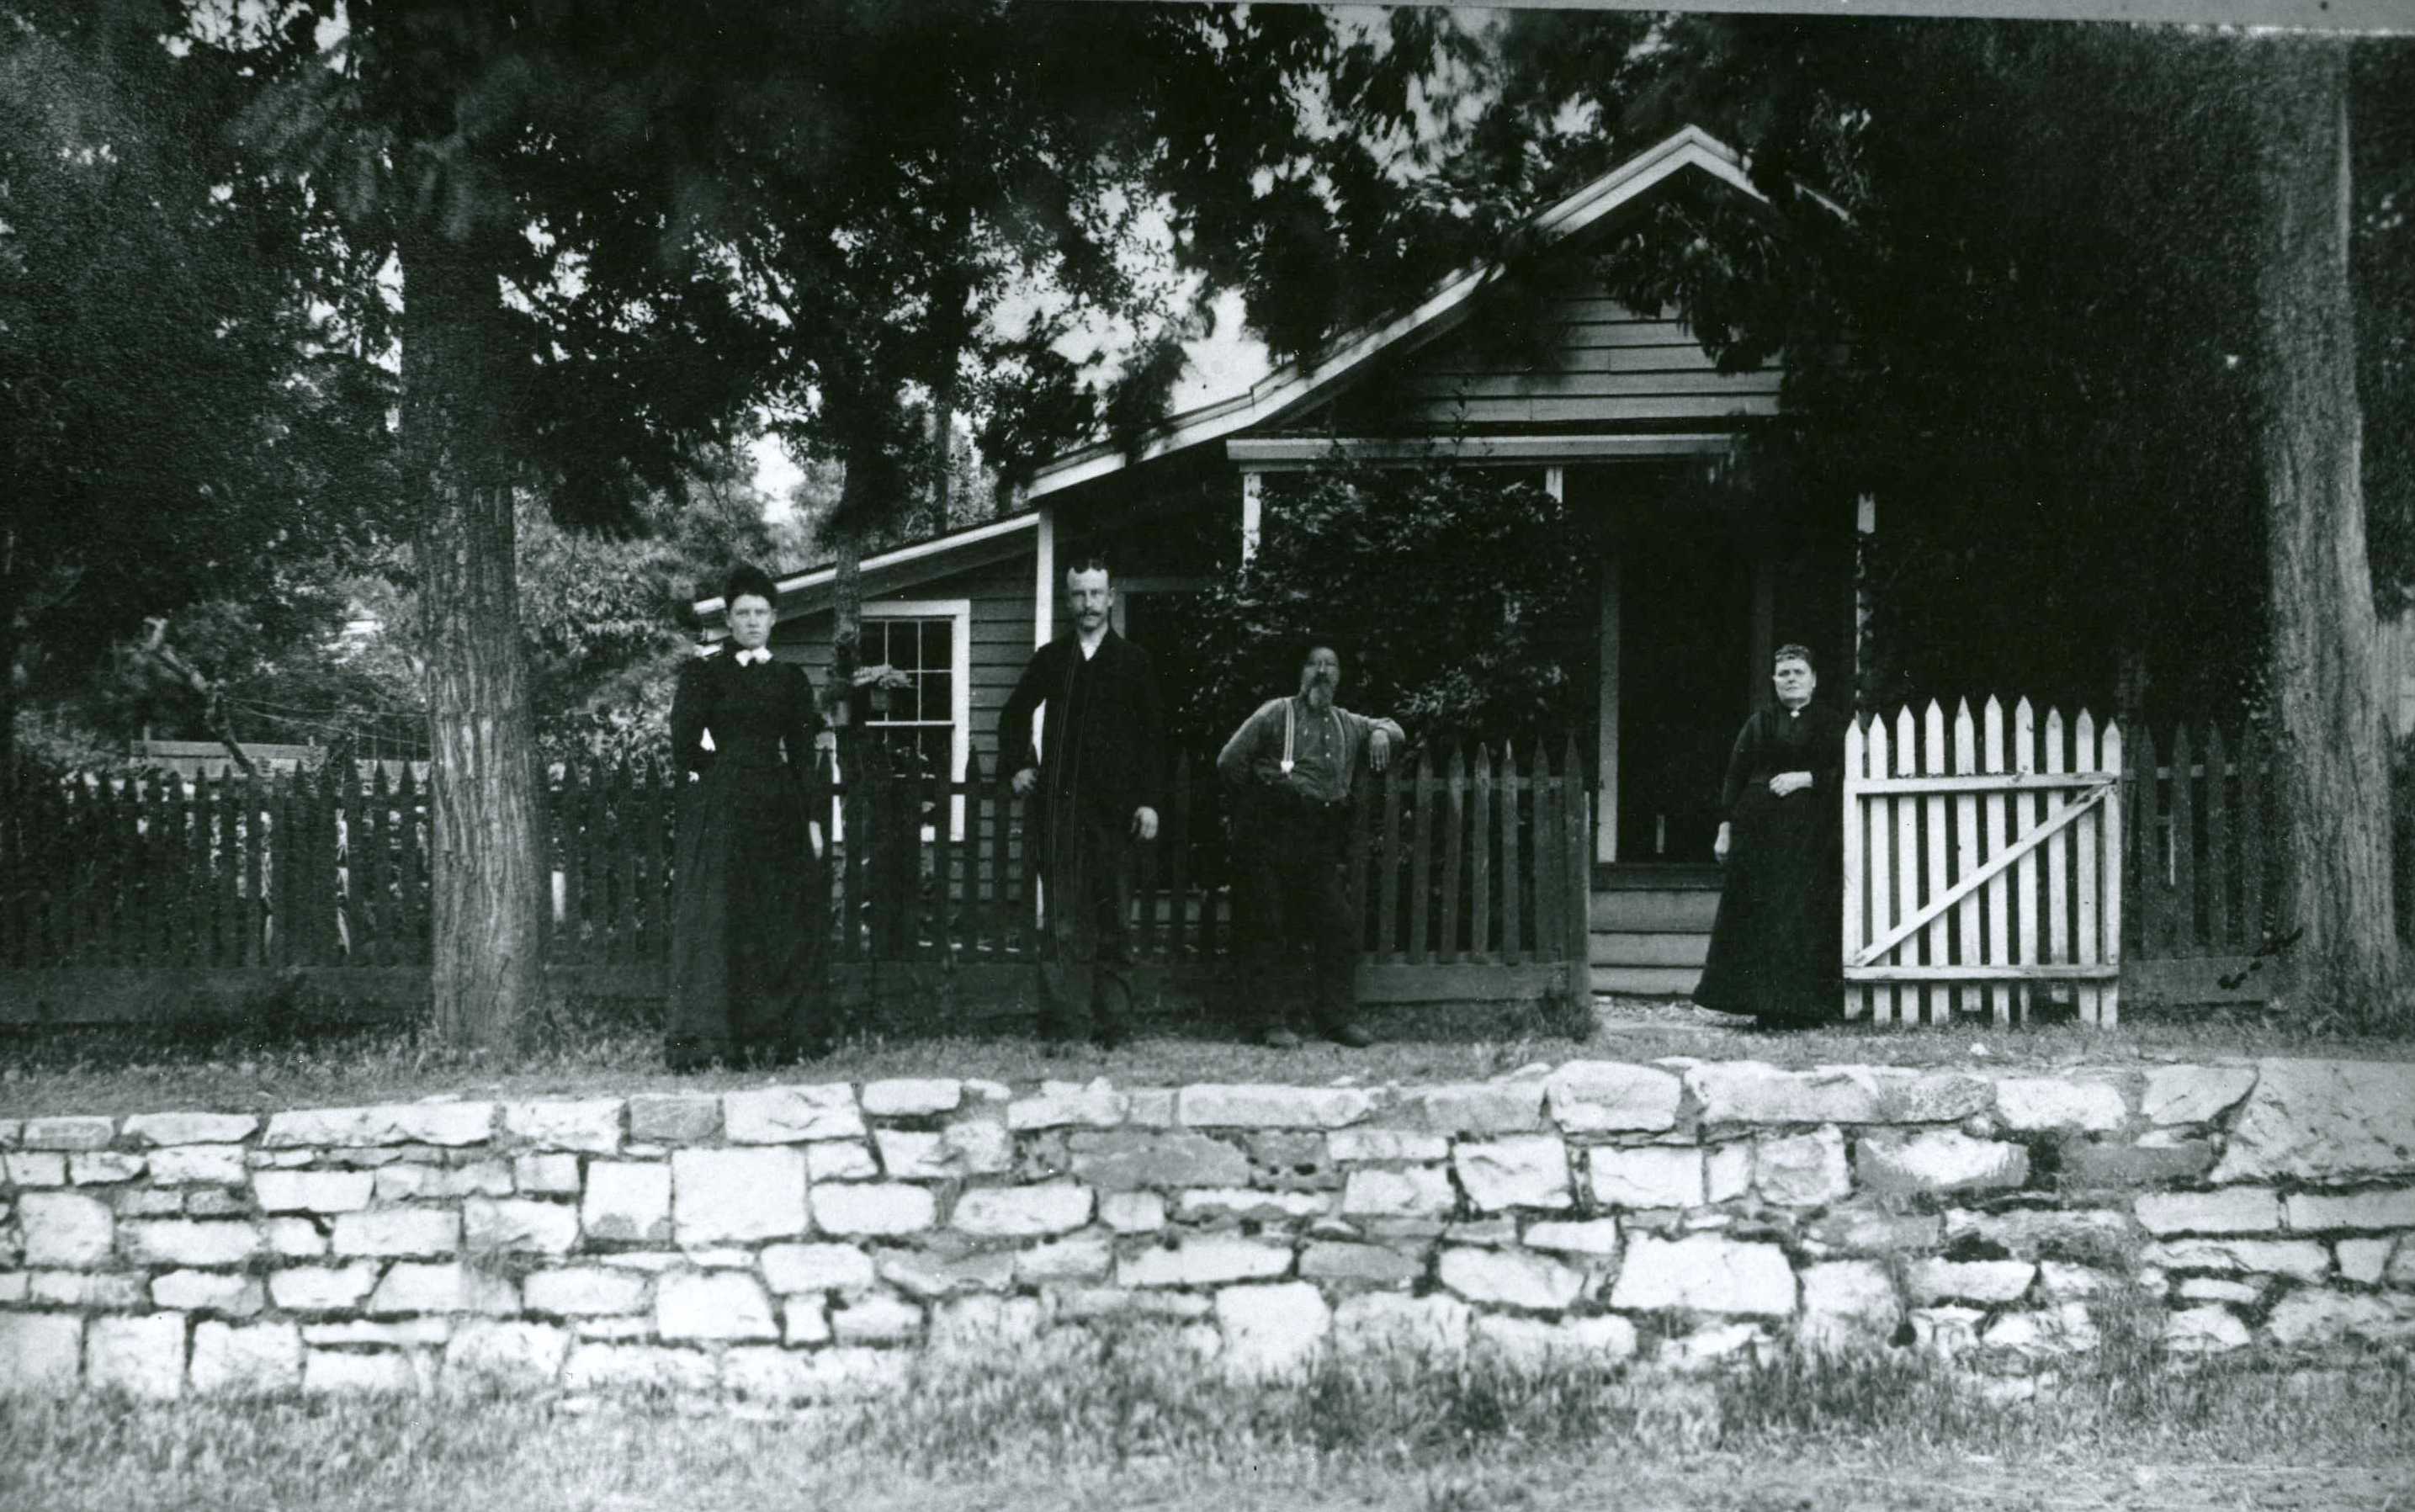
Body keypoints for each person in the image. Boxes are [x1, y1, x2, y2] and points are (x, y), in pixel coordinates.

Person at [666, 564, 829, 1070]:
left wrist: (813, 819)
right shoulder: (705, 674)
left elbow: (804, 754)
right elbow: (683, 743)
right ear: (729, 620)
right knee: (722, 920)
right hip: (724, 809)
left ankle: (780, 1035)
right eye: (742, 613)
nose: (752, 621)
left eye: (761, 612)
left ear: (774, 618)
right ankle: (717, 1038)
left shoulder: (790, 679)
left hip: (778, 808)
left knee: (775, 919)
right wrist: (722, 772)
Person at [999, 557, 1165, 1049]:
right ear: (1069, 600)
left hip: (1116, 816)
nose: (1088, 605)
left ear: (1111, 597)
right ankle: (1063, 1026)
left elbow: (1155, 738)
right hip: (1061, 813)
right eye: (1079, 595)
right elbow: (1012, 716)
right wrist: (1019, 765)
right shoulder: (1053, 659)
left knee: (1114, 920)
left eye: (1096, 594)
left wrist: (1150, 802)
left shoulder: (1134, 662)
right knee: (1064, 924)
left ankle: (1114, 1027)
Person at [1217, 645, 1404, 1048]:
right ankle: (1268, 1023)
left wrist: (1379, 733)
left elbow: (1395, 727)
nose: (1322, 672)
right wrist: (1258, 807)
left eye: (1330, 665)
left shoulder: (1348, 722)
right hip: (1268, 831)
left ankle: (1335, 1020)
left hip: (1316, 836)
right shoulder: (1275, 714)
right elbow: (1228, 762)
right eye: (1314, 664)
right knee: (1266, 924)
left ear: (1339, 676)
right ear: (1301, 672)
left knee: (1337, 924)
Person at [1692, 643, 1847, 1027]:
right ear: (1774, 681)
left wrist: (1806, 778)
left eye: (1798, 672)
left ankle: (1803, 1009)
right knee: (1758, 916)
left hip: (1810, 840)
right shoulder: (1759, 723)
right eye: (1784, 674)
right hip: (1758, 839)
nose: (1791, 679)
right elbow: (1735, 775)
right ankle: (1763, 1007)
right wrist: (1725, 828)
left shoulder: (1831, 723)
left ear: (1814, 680)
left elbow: (1847, 771)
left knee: (1801, 916)